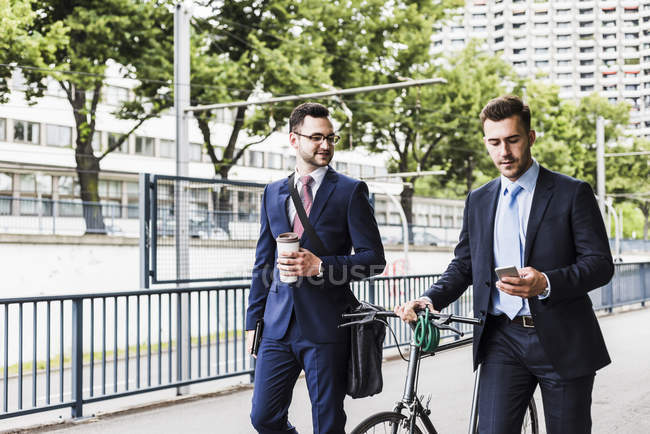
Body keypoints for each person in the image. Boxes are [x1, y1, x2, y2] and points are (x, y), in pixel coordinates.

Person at [395, 95, 613, 434]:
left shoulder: (572, 193)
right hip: (501, 338)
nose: (504, 152)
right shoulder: (479, 200)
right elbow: (464, 265)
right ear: (485, 143)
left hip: (563, 338)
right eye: (494, 142)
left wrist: (546, 283)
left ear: (530, 137)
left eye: (512, 140)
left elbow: (600, 264)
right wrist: (429, 299)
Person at [245, 102, 386, 434]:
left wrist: (322, 265)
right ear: (294, 139)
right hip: (277, 329)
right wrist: (253, 322)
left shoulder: (351, 191)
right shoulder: (273, 192)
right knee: (263, 417)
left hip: (327, 327)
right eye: (317, 137)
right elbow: (262, 262)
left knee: (327, 424)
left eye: (331, 138)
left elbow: (374, 259)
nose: (326, 145)